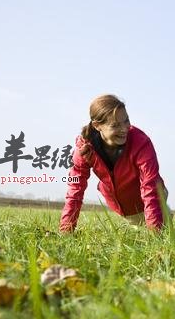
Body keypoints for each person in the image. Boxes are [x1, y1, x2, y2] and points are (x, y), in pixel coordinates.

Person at [59, 94, 167, 232]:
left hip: (153, 196)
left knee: (163, 231)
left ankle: (163, 219)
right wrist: (66, 230)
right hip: (123, 206)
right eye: (115, 125)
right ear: (97, 126)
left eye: (126, 121)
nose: (124, 129)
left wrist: (155, 231)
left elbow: (150, 185)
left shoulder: (141, 143)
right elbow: (75, 189)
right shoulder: (85, 149)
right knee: (138, 227)